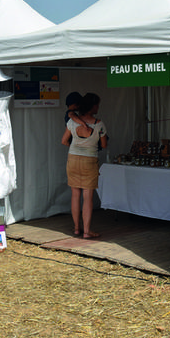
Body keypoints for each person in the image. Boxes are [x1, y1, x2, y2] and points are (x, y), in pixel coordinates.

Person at [61, 92, 108, 239]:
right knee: (87, 197)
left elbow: (64, 141)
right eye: (97, 105)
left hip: (73, 159)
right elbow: (104, 144)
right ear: (92, 106)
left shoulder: (72, 121)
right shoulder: (99, 124)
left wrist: (76, 147)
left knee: (75, 195)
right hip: (89, 161)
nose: (98, 107)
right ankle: (87, 231)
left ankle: (76, 228)